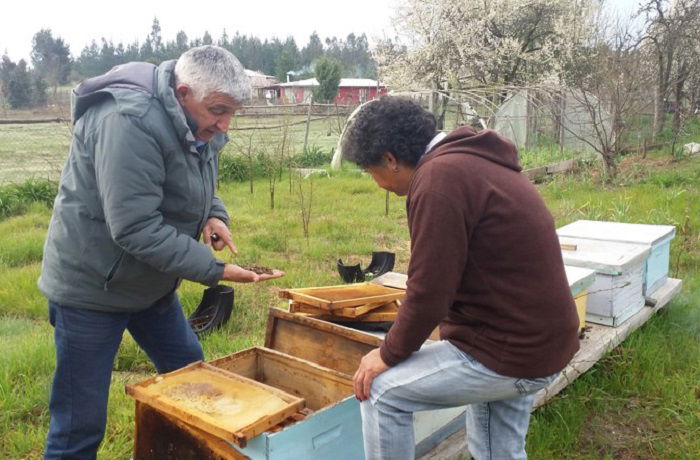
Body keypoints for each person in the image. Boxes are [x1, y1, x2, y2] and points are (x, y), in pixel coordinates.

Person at [39, 45, 283, 459]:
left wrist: (213, 215)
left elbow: (199, 178)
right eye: (218, 111)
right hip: (92, 289)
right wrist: (216, 269)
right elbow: (134, 228)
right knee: (80, 423)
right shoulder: (127, 121)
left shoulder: (200, 120)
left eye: (231, 114)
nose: (224, 126)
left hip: (149, 286)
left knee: (189, 373)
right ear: (183, 92)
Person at [343, 97, 580, 460]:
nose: (377, 183)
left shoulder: (439, 179)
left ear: (390, 159)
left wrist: (387, 354)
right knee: (499, 451)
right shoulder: (473, 160)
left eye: (371, 171)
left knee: (381, 391)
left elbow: (429, 292)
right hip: (538, 340)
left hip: (508, 348)